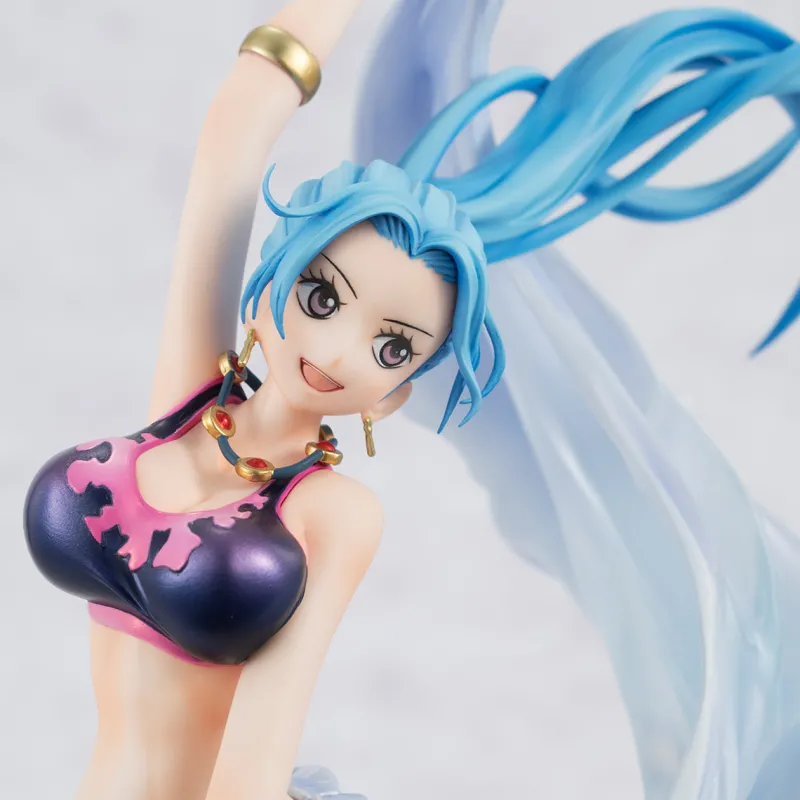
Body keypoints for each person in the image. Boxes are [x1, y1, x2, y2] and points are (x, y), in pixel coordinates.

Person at [22, 1, 800, 798]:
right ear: (268, 286)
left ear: (396, 396)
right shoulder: (185, 403)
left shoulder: (331, 515)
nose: (334, 350)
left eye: (391, 348)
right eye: (322, 297)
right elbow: (237, 124)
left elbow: (253, 763)